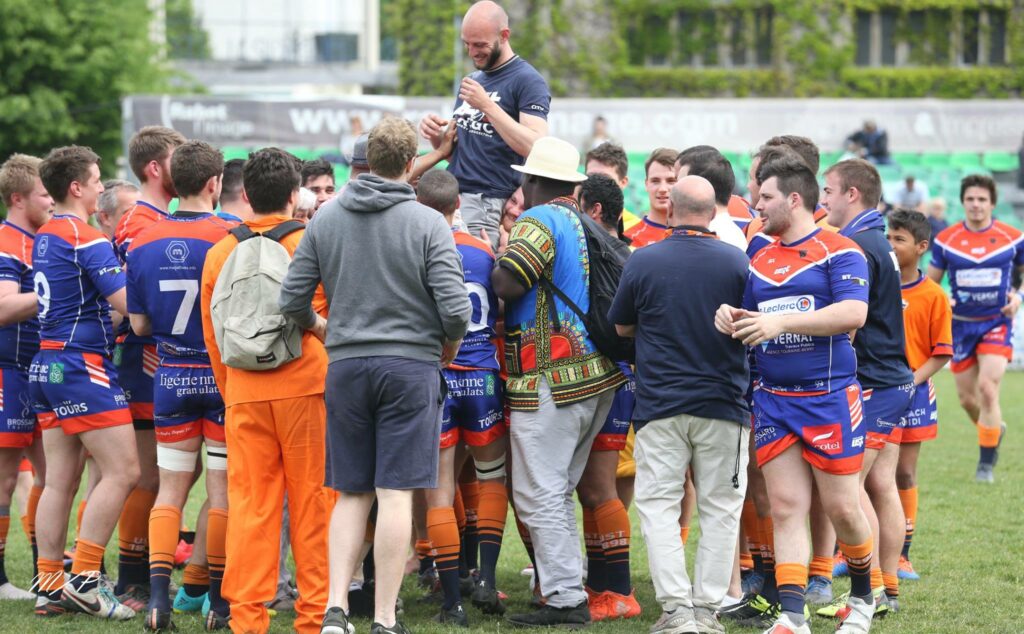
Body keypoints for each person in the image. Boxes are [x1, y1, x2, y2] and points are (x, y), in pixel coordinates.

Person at [279, 118, 470, 634]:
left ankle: (335, 609)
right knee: (394, 494)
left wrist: (327, 331)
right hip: (410, 368)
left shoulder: (325, 218)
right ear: (410, 165)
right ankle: (384, 618)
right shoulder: (429, 223)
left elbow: (292, 300)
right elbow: (456, 313)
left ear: (362, 163)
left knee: (350, 492)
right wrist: (445, 347)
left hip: (346, 368)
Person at [714, 153, 876, 634]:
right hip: (773, 398)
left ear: (795, 198)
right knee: (784, 507)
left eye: (765, 197)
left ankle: (864, 599)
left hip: (829, 397)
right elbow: (752, 318)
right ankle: (791, 615)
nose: (756, 205)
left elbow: (853, 314)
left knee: (844, 507)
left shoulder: (841, 250)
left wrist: (781, 320)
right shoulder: (758, 254)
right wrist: (730, 317)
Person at [491, 136, 626, 628]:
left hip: (550, 377)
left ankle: (567, 598)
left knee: (539, 491)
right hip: (595, 375)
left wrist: (494, 258)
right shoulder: (582, 219)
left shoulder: (539, 219)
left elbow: (510, 281)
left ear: (532, 181)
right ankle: (567, 587)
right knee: (556, 487)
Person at [610, 175, 750, 634]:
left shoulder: (643, 260)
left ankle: (676, 611)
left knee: (658, 507)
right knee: (721, 509)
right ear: (714, 214)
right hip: (723, 403)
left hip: (660, 404)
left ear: (670, 210)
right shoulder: (736, 261)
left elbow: (622, 328)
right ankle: (707, 610)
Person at [200, 148, 331, 634]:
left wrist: (232, 388)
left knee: (252, 509)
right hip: (307, 387)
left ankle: (247, 619)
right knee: (313, 503)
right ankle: (313, 617)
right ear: (295, 194)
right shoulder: (312, 243)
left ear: (246, 195)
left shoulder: (220, 252)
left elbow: (213, 335)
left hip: (244, 394)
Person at [125, 141, 236, 631]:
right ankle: (219, 604)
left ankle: (156, 602)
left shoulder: (145, 240)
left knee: (169, 491)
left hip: (169, 377)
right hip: (220, 376)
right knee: (222, 492)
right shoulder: (234, 236)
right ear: (214, 183)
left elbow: (140, 325)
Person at [30, 146, 139, 620]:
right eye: (96, 180)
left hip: (45, 364)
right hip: (80, 366)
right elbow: (128, 305)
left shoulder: (46, 233)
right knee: (124, 471)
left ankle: (49, 585)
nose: (101, 187)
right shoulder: (86, 236)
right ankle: (87, 581)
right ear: (75, 187)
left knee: (59, 481)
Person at [818, 158, 915, 616]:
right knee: (881, 485)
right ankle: (888, 588)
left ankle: (871, 592)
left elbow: (851, 323)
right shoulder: (878, 238)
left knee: (849, 486)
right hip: (894, 377)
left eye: (829, 190)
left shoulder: (855, 243)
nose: (823, 199)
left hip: (875, 382)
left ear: (852, 194)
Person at [414, 169, 509, 625]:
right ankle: (486, 579)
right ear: (458, 207)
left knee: (439, 492)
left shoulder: (416, 246)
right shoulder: (484, 250)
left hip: (437, 379)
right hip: (483, 379)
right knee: (492, 478)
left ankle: (452, 600)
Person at [113, 125, 187, 609]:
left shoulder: (155, 216)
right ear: (156, 168)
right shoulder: (141, 222)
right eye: (177, 157)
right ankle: (132, 578)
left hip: (156, 358)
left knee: (171, 472)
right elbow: (136, 303)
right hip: (143, 359)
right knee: (148, 475)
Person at [419, 0, 550, 250]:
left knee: (473, 281)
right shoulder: (472, 80)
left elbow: (537, 146)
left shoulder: (528, 80)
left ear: (504, 35)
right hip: (453, 197)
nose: (472, 52)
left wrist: (487, 106)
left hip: (486, 202)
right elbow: (462, 152)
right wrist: (437, 136)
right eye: (466, 44)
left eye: (480, 45)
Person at [574, 172, 640, 622]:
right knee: (590, 489)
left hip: (611, 379)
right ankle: (601, 584)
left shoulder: (607, 257)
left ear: (595, 212)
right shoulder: (629, 255)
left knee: (599, 486)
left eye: (578, 207)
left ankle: (620, 590)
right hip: (621, 378)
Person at [928, 174, 1024, 482]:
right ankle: (992, 428)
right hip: (961, 327)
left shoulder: (1012, 237)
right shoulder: (947, 240)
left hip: (997, 322)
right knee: (968, 400)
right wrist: (943, 300)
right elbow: (930, 283)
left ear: (992, 204)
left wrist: (1018, 296)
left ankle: (985, 466)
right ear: (963, 202)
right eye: (970, 199)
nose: (976, 205)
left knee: (987, 388)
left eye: (982, 199)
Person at [885, 209, 952, 580]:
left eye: (899, 239)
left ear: (922, 247)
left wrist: (911, 382)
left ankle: (901, 555)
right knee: (861, 474)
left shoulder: (933, 296)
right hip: (875, 391)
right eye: (888, 236)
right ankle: (848, 551)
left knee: (904, 473)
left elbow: (941, 351)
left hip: (914, 394)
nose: (891, 245)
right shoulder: (877, 285)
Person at [0, 154, 51, 601]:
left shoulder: (40, 239)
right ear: (18, 198)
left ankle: (44, 572)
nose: (51, 200)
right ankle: (0, 578)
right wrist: (51, 292)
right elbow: (2, 309)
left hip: (40, 371)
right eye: (43, 194)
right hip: (9, 371)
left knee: (52, 473)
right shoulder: (6, 241)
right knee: (6, 475)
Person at [674, 146, 748, 252]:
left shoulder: (706, 238)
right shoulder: (730, 233)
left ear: (702, 189)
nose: (672, 189)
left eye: (680, 183)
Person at [623, 149, 677, 248]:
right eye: (655, 181)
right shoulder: (629, 239)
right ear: (646, 184)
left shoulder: (696, 236)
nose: (662, 189)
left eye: (671, 181)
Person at [584, 143, 640, 235]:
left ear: (623, 182)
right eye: (591, 177)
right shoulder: (573, 224)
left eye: (604, 178)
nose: (596, 184)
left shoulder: (637, 230)